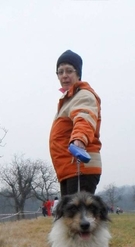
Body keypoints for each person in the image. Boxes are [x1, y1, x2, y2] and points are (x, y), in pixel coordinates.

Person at [49, 50, 102, 196]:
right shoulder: (68, 99)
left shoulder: (83, 95)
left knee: (77, 218)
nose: (64, 75)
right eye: (60, 72)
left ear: (78, 74)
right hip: (68, 169)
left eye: (69, 71)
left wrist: (79, 140)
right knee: (69, 218)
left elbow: (84, 117)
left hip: (80, 167)